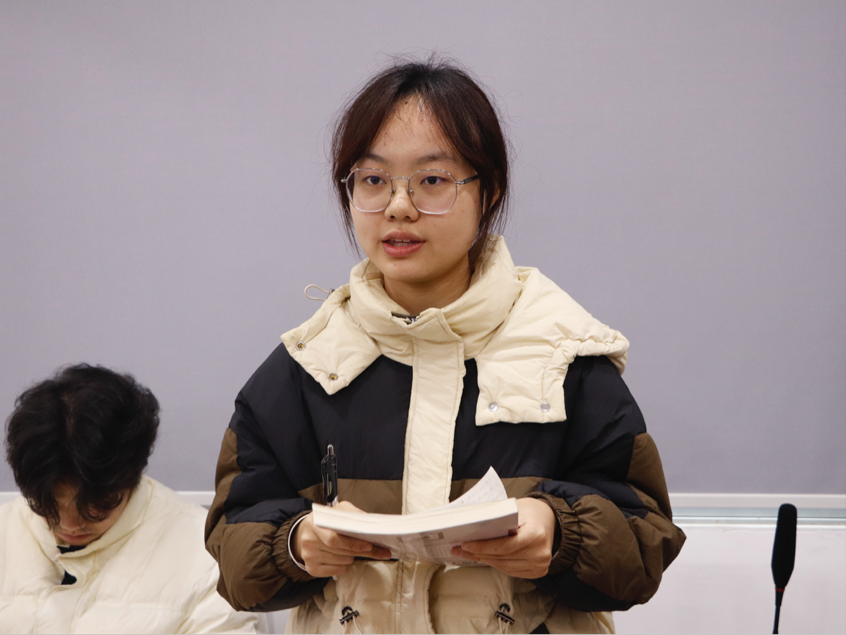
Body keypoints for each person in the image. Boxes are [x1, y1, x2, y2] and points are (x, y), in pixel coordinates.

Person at [205, 57, 686, 634]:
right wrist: (296, 542)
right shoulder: (303, 368)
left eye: (431, 180)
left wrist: (562, 532)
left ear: (489, 191)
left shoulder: (564, 355)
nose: (398, 206)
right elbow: (232, 553)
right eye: (372, 180)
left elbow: (646, 545)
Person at [0, 364, 262, 634]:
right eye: (48, 506)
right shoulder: (6, 529)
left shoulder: (207, 559)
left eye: (92, 508)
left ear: (130, 476)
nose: (68, 525)